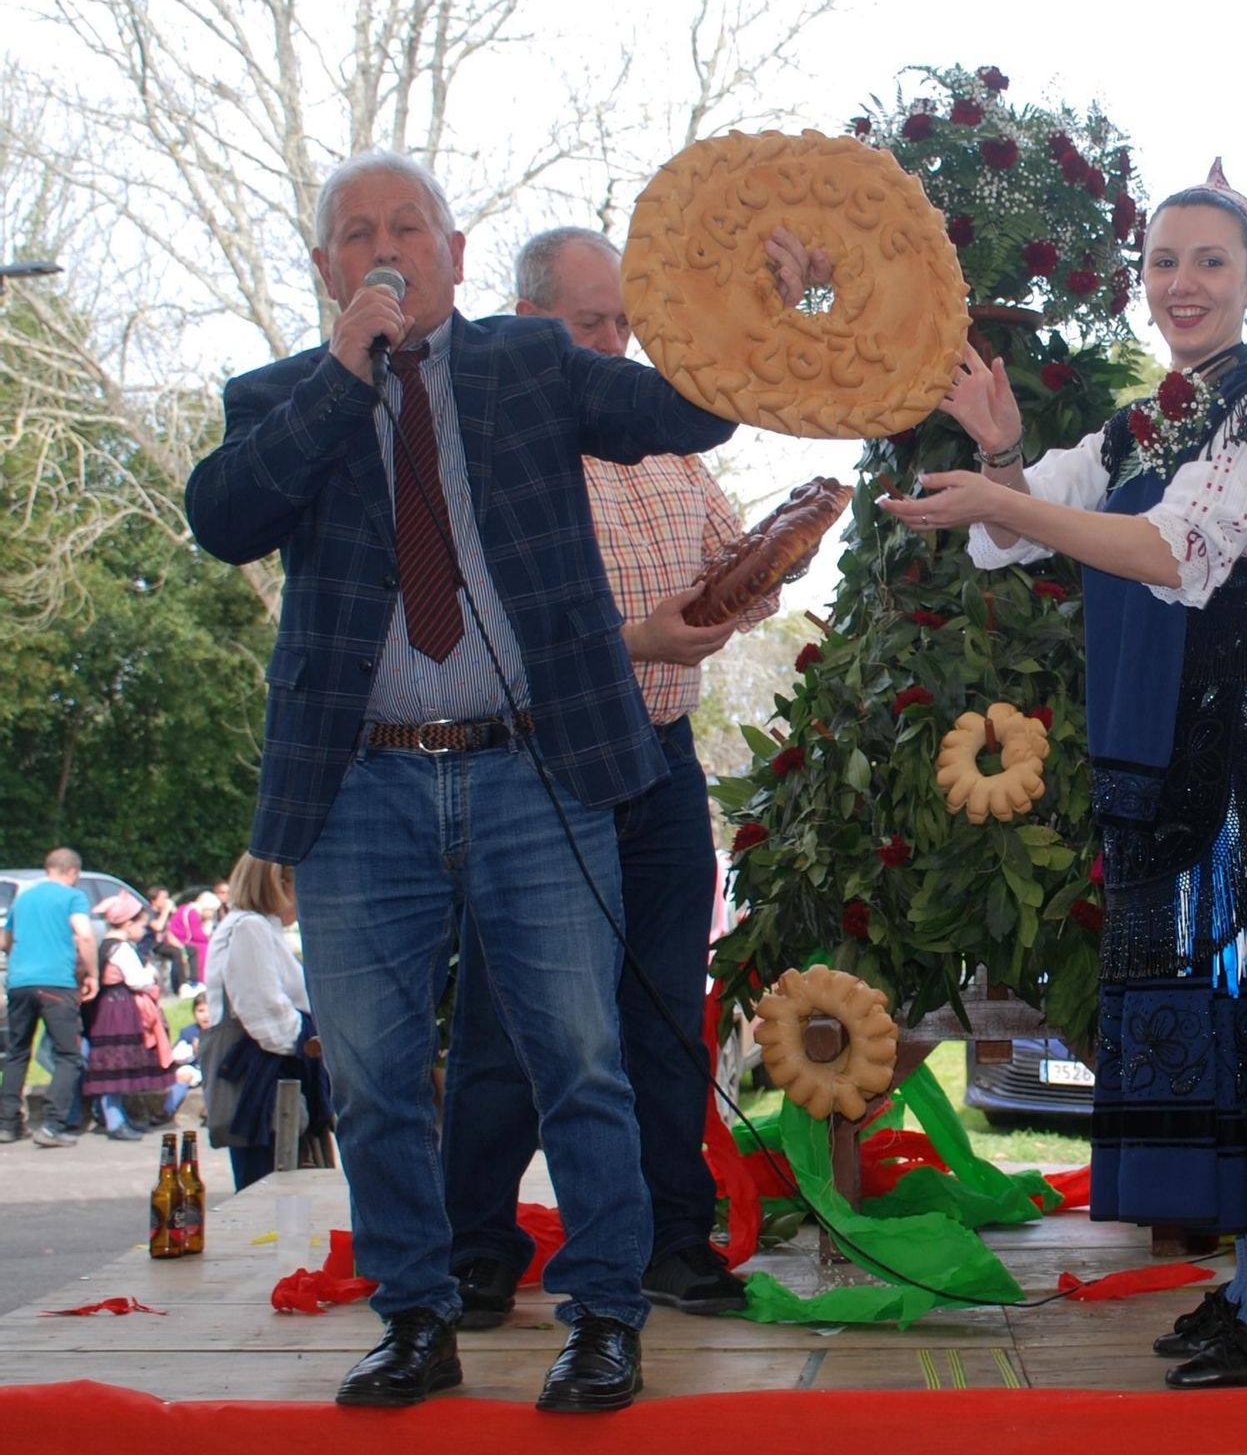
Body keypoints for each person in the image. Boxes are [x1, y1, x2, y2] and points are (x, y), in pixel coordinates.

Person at [183, 148, 817, 1413]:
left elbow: (682, 413)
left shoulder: (528, 365)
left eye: (409, 226)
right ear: (322, 267)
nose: (386, 246)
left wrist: (766, 307)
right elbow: (225, 516)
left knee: (577, 1054)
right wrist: (342, 371)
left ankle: (603, 1316)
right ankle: (416, 1317)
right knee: (369, 1069)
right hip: (360, 787)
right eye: (357, 232)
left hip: (534, 765)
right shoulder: (278, 397)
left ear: (457, 253)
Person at [882, 162, 1247, 1390]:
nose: (1181, 283)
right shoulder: (1143, 420)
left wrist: (1009, 492)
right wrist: (1006, 456)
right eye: (1164, 261)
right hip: (1180, 761)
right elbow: (1015, 532)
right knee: (1211, 1026)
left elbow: (1170, 551)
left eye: (1209, 261)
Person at [440, 227, 792, 1331]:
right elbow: (479, 627)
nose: (611, 342)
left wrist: (757, 571)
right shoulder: (497, 444)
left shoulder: (667, 446)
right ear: (525, 318)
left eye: (620, 323)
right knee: (510, 1018)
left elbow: (734, 556)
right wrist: (635, 636)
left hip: (662, 757)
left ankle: (668, 1237)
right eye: (589, 323)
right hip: (535, 758)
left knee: (657, 1011)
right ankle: (476, 1245)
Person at [201, 855, 329, 1191]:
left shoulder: (257, 927)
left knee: (280, 1188)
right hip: (260, 1082)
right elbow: (265, 1014)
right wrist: (310, 1044)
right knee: (265, 1187)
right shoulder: (249, 928)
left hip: (270, 1075)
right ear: (280, 885)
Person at [0, 848, 98, 1148]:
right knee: (68, 1054)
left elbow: (4, 939)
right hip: (56, 983)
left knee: (17, 1053)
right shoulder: (73, 896)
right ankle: (53, 1126)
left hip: (19, 983)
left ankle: (7, 1125)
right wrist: (92, 973)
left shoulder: (24, 897)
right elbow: (84, 934)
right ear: (73, 872)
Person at [81, 893, 174, 1141]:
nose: (144, 930)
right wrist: (150, 972)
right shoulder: (122, 948)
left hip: (108, 1006)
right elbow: (136, 980)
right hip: (120, 1006)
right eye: (142, 924)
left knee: (111, 1064)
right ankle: (114, 1121)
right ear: (128, 923)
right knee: (116, 1064)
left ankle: (116, 1116)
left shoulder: (105, 945)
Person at [163, 987, 211, 1122]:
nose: (205, 1015)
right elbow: (178, 1056)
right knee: (183, 1075)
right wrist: (192, 1049)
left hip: (215, 1068)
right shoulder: (189, 1032)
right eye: (201, 1011)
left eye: (209, 1011)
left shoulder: (219, 1031)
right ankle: (168, 1108)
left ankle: (210, 1109)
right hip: (196, 1067)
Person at [167, 891, 218, 991]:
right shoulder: (192, 913)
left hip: (183, 938)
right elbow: (197, 935)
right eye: (212, 910)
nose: (213, 914)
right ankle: (200, 980)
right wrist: (208, 923)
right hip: (179, 939)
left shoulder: (192, 910)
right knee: (204, 948)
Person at [146, 887, 189, 995]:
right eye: (163, 898)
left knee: (187, 950)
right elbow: (158, 927)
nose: (166, 901)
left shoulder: (161, 914)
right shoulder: (148, 912)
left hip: (159, 944)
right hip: (149, 945)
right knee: (175, 953)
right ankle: (180, 986)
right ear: (154, 900)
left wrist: (180, 945)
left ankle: (188, 983)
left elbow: (168, 933)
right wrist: (166, 911)